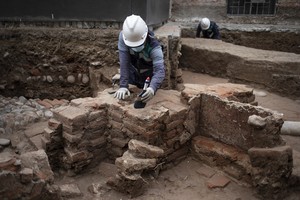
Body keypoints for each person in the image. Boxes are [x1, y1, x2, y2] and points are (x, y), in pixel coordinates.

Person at [114, 14, 165, 102]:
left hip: (148, 74)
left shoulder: (155, 48)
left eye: (139, 44)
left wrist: (152, 88)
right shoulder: (124, 37)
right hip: (132, 71)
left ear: (144, 37)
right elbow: (124, 63)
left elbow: (159, 71)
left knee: (147, 92)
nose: (136, 47)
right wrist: (123, 86)